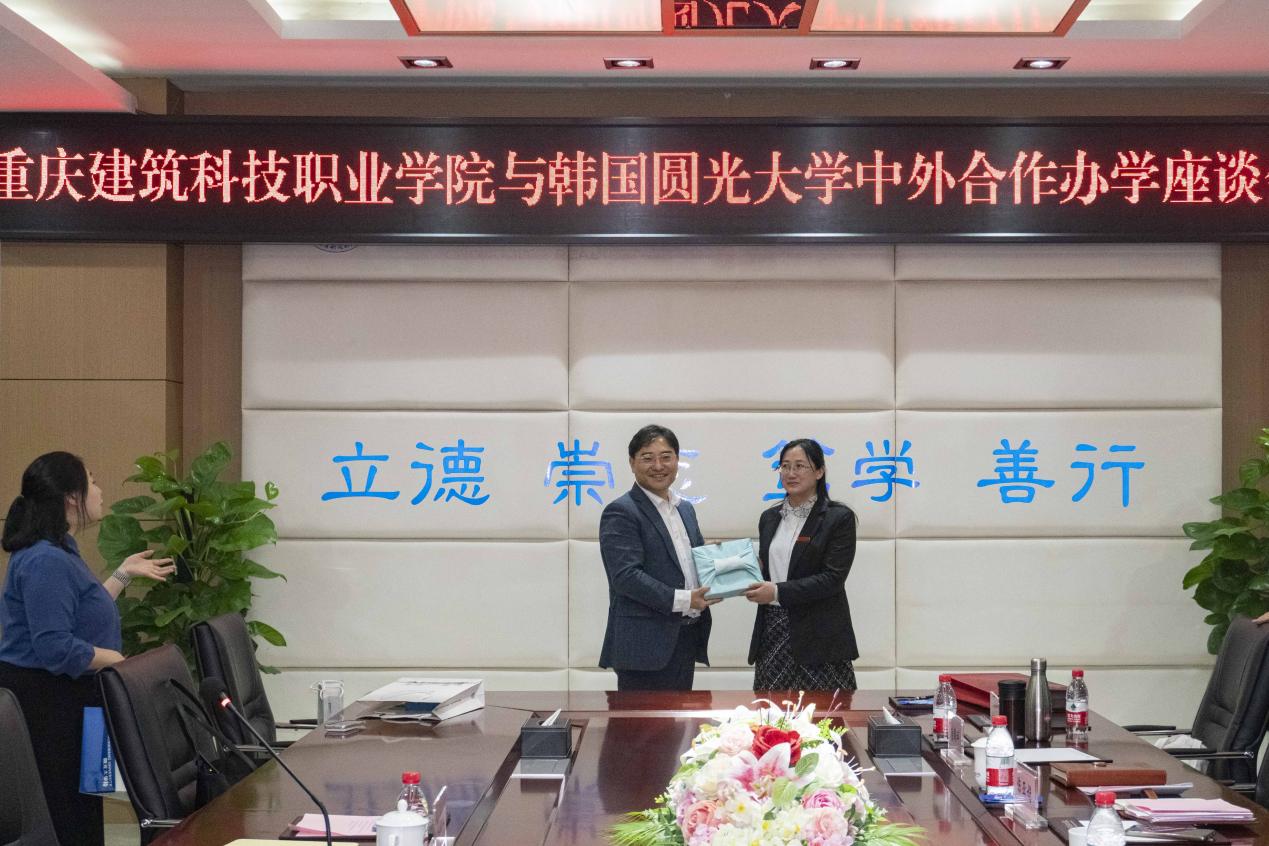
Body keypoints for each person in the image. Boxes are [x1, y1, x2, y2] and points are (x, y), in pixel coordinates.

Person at [0, 451, 174, 846]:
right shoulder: (46, 560)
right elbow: (55, 647)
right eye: (92, 481)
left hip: (68, 695)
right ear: (70, 497)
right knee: (67, 817)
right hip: (48, 704)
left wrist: (122, 574)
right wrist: (119, 663)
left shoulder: (61, 547)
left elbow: (83, 618)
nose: (99, 490)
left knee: (82, 812)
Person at [598, 425, 718, 690]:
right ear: (632, 463)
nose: (658, 466)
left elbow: (687, 562)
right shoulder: (621, 511)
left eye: (666, 457)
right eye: (647, 458)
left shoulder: (684, 509)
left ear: (677, 460)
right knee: (642, 719)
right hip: (643, 647)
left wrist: (719, 561)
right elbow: (626, 577)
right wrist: (686, 599)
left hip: (685, 637)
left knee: (680, 717)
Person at [745, 438, 859, 692]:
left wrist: (776, 592)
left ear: (819, 472)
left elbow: (832, 579)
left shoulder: (838, 518)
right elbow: (769, 569)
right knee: (771, 710)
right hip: (773, 629)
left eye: (799, 466)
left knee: (825, 712)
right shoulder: (769, 517)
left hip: (820, 635)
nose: (791, 473)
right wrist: (731, 564)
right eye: (785, 466)